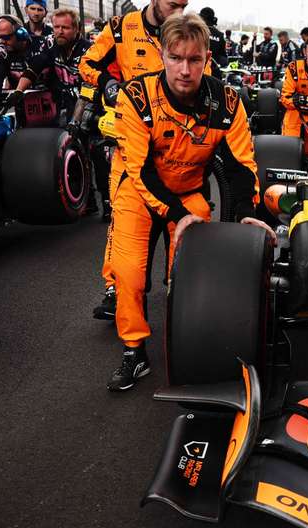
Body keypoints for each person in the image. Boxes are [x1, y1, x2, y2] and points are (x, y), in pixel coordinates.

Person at [107, 14, 273, 391]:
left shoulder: (228, 103)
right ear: (162, 55)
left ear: (207, 58)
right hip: (138, 192)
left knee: (191, 276)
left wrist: (246, 213)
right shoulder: (135, 97)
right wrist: (177, 215)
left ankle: (188, 336)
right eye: (176, 58)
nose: (185, 69)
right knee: (129, 273)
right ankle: (134, 350)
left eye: (194, 60)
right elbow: (140, 170)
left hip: (188, 192)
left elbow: (239, 166)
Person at [80, 0, 193, 320]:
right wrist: (107, 82)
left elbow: (204, 78)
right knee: (121, 221)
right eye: (174, 4)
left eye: (184, 5)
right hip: (129, 144)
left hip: (176, 150)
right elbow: (87, 63)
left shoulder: (187, 31)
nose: (178, 11)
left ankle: (178, 285)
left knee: (181, 219)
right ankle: (116, 289)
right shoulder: (120, 28)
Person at [10, 7, 91, 120]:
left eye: (65, 27)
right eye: (56, 27)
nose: (60, 31)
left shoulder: (89, 50)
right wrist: (18, 91)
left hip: (87, 105)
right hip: (64, 103)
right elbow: (35, 67)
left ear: (77, 29)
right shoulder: (50, 42)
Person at [0, 15, 32, 106]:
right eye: (0, 37)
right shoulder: (1, 51)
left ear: (20, 34)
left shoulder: (41, 45)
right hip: (22, 104)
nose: (3, 41)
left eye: (7, 38)